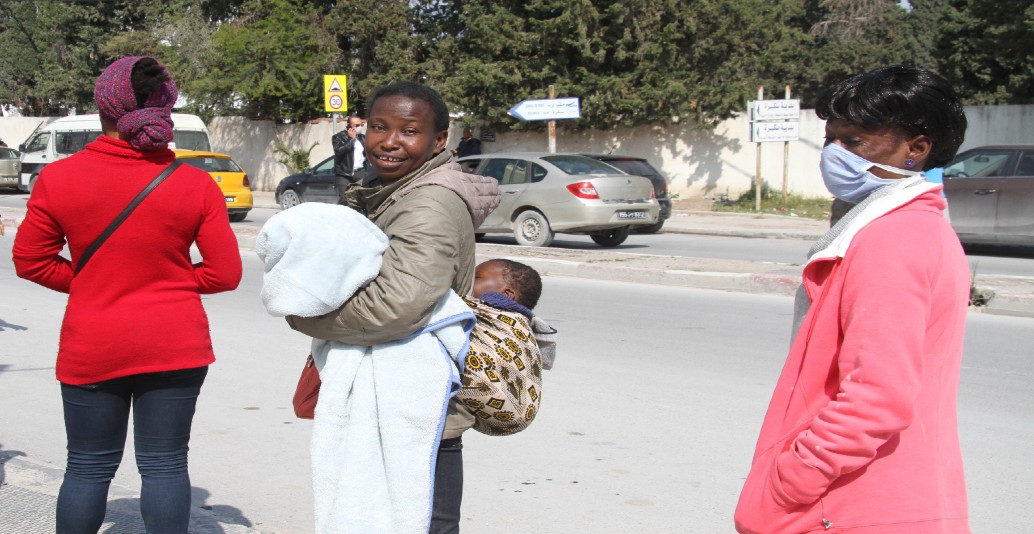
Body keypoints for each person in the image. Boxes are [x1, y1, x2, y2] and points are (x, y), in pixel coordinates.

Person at [734, 65, 970, 533]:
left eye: (856, 142)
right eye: (830, 139)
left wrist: (790, 482)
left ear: (915, 150)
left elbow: (876, 398)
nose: (834, 155)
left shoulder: (894, 239)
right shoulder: (911, 227)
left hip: (855, 505)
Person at [11, 56, 242, 533]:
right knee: (165, 465)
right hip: (174, 343)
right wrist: (170, 283)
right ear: (165, 109)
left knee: (88, 467)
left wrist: (95, 281)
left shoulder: (58, 178)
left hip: (93, 341)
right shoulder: (196, 184)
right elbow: (224, 275)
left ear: (103, 107)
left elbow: (31, 261)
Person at [285, 81, 500, 533]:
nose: (389, 141)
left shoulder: (429, 202)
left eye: (409, 131)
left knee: (422, 522)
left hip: (418, 401)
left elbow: (397, 306)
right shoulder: (387, 188)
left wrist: (305, 315)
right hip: (392, 393)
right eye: (380, 127)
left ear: (438, 141)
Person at [331, 114, 367, 193]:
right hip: (344, 174)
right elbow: (338, 151)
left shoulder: (363, 138)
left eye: (361, 125)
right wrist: (352, 139)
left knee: (361, 198)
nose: (359, 127)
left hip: (360, 173)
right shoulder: (338, 137)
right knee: (344, 199)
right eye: (357, 125)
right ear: (349, 126)